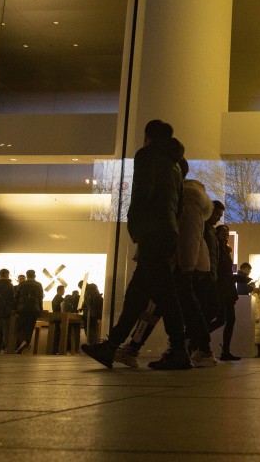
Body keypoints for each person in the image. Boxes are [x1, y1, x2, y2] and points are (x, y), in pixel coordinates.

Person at [82, 120, 202, 370]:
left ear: (148, 136)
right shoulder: (176, 165)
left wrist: (135, 227)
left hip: (153, 231)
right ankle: (112, 345)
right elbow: (178, 205)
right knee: (141, 294)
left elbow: (141, 192)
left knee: (162, 296)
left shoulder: (148, 156)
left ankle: (177, 350)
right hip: (167, 232)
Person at [209, 224, 241, 361]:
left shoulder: (224, 249)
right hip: (222, 288)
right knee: (222, 319)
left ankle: (225, 350)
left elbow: (225, 272)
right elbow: (222, 272)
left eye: (227, 233)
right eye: (224, 232)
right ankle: (194, 338)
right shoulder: (218, 249)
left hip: (226, 288)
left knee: (227, 319)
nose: (226, 235)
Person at [15, 269, 44, 353]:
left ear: (27, 276)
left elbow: (16, 297)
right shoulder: (38, 285)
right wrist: (40, 309)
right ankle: (26, 342)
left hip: (22, 308)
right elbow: (40, 298)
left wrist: (15, 308)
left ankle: (21, 342)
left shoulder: (22, 284)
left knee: (21, 327)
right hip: (34, 309)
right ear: (34, 275)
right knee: (30, 327)